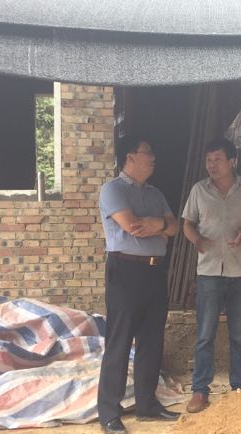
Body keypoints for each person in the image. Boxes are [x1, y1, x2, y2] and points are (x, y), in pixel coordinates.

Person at [97, 135, 181, 434]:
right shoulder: (113, 189)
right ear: (130, 157)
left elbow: (175, 226)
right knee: (119, 341)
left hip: (155, 272)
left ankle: (147, 404)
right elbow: (131, 225)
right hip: (125, 271)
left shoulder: (156, 194)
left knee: (152, 339)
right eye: (147, 152)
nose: (153, 157)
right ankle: (109, 412)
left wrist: (158, 225)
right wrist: (160, 226)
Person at [181, 137, 241, 413]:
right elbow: (187, 224)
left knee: (238, 335)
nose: (212, 165)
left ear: (232, 161)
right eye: (209, 160)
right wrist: (197, 240)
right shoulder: (199, 190)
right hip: (208, 273)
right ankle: (200, 391)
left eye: (217, 159)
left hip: (240, 271)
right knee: (205, 335)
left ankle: (239, 388)